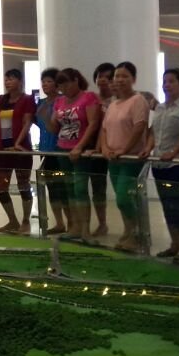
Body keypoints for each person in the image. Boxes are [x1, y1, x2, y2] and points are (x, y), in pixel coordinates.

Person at [145, 68, 179, 260]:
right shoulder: (160, 108)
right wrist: (148, 149)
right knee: (168, 206)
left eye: (172, 81)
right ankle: (175, 244)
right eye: (165, 81)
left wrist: (174, 152)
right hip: (159, 163)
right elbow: (153, 132)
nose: (167, 85)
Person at [99, 62, 149, 252]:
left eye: (124, 76)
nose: (119, 80)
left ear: (133, 79)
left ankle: (137, 233)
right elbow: (104, 129)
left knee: (124, 198)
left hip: (131, 158)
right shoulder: (113, 104)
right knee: (122, 199)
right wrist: (105, 148)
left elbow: (139, 127)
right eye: (117, 76)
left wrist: (125, 150)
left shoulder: (138, 100)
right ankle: (129, 231)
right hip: (113, 159)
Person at [49, 68, 101, 244]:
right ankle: (75, 227)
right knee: (69, 189)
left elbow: (93, 124)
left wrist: (80, 146)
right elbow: (55, 127)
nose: (64, 88)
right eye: (60, 85)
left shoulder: (88, 97)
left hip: (81, 150)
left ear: (76, 80)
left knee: (80, 189)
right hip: (62, 148)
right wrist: (51, 118)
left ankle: (85, 229)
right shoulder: (59, 101)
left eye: (66, 83)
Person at [0, 68, 36, 233]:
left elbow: (27, 122)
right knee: (0, 187)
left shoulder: (27, 100)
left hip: (21, 150)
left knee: (23, 185)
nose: (7, 82)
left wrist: (18, 143)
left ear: (20, 81)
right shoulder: (0, 100)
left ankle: (26, 220)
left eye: (11, 79)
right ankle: (12, 220)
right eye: (6, 79)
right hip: (4, 150)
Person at [34, 68, 68, 234]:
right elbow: (36, 122)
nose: (45, 84)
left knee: (63, 188)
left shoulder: (62, 101)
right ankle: (59, 223)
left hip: (60, 150)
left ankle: (72, 222)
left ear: (57, 83)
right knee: (52, 188)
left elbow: (58, 125)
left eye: (49, 81)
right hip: (45, 150)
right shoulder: (41, 103)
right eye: (43, 81)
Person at [89, 62, 115, 236]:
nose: (103, 80)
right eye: (100, 76)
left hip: (116, 149)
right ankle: (102, 224)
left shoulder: (119, 100)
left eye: (108, 77)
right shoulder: (92, 99)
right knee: (98, 188)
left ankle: (134, 229)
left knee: (124, 190)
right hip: (95, 151)